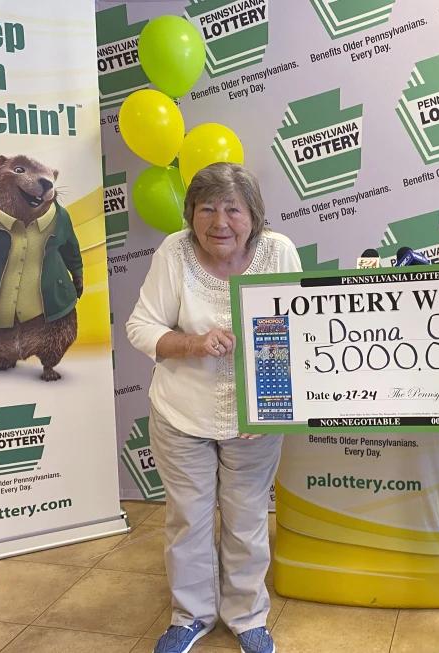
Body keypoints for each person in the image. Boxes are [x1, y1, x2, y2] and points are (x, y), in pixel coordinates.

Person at [127, 162, 300, 653]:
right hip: (182, 414)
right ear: (190, 214)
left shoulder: (278, 252)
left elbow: (297, 332)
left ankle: (247, 617)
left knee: (247, 519)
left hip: (254, 419)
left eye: (233, 209)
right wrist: (192, 344)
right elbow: (141, 327)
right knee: (188, 519)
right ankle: (191, 616)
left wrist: (267, 407)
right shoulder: (174, 252)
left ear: (254, 216)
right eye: (206, 209)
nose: (219, 222)